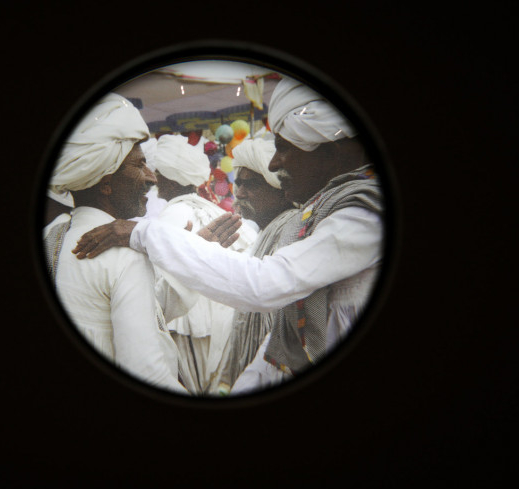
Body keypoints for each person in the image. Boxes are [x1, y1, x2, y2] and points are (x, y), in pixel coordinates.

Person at [70, 76, 384, 395]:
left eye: (284, 148)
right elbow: (281, 346)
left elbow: (264, 285)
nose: (274, 163)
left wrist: (144, 234)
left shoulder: (365, 215)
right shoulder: (321, 212)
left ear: (331, 151)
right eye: (141, 166)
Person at [43, 93, 189, 394]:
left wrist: (190, 261)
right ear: (106, 184)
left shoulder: (52, 235)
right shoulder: (123, 254)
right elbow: (145, 371)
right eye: (140, 165)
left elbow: (142, 311)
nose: (151, 178)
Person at [148, 134, 257, 394]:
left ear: (168, 178)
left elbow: (162, 284)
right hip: (227, 326)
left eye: (158, 173)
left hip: (189, 325)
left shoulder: (171, 215)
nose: (154, 179)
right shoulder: (215, 211)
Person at [208, 136, 299, 394]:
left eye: (252, 185)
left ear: (281, 189)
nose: (239, 193)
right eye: (239, 183)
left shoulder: (292, 230)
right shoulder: (268, 230)